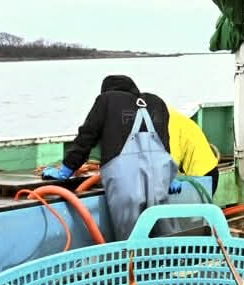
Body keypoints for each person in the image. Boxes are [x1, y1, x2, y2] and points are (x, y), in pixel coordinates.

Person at [41, 75, 178, 240]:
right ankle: (174, 262)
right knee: (165, 229)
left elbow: (87, 137)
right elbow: (164, 144)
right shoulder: (157, 102)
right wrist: (170, 177)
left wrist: (67, 168)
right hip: (159, 176)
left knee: (131, 236)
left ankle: (132, 264)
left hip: (125, 178)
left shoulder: (106, 100)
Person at [168, 107, 220, 194]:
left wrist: (170, 176)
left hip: (203, 177)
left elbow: (172, 156)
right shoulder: (170, 116)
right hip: (200, 174)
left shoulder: (170, 122)